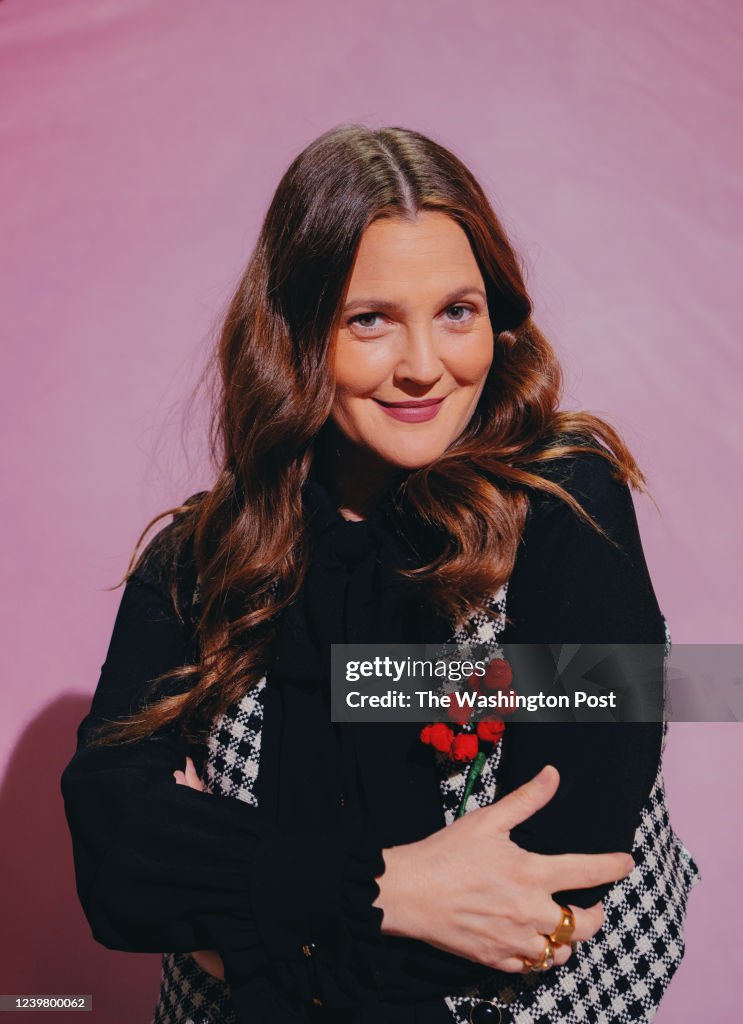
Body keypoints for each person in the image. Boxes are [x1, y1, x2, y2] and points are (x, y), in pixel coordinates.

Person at [60, 124, 701, 1024]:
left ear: (497, 317)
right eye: (370, 320)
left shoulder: (564, 499)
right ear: (295, 333)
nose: (423, 366)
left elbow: (559, 874)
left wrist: (240, 907)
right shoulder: (200, 555)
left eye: (457, 311)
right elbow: (115, 857)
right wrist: (396, 887)